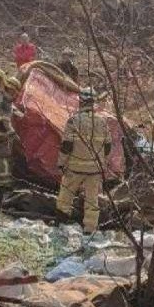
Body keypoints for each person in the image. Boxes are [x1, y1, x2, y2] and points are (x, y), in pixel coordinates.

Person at [56, 88, 112, 232]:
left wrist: (61, 163)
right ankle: (90, 229)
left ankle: (61, 223)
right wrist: (102, 163)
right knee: (92, 201)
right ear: (93, 103)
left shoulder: (74, 121)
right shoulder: (102, 122)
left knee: (65, 196)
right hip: (95, 170)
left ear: (81, 101)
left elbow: (66, 145)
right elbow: (107, 147)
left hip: (75, 168)